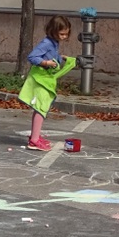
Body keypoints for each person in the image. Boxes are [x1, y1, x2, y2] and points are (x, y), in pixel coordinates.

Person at [19, 15, 75, 151]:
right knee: (41, 108)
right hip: (40, 79)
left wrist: (60, 58)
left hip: (45, 79)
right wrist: (45, 63)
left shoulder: (54, 43)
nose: (64, 37)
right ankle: (34, 140)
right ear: (53, 31)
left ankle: (35, 136)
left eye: (66, 34)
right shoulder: (46, 43)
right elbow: (32, 57)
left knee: (41, 107)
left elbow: (50, 56)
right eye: (61, 34)